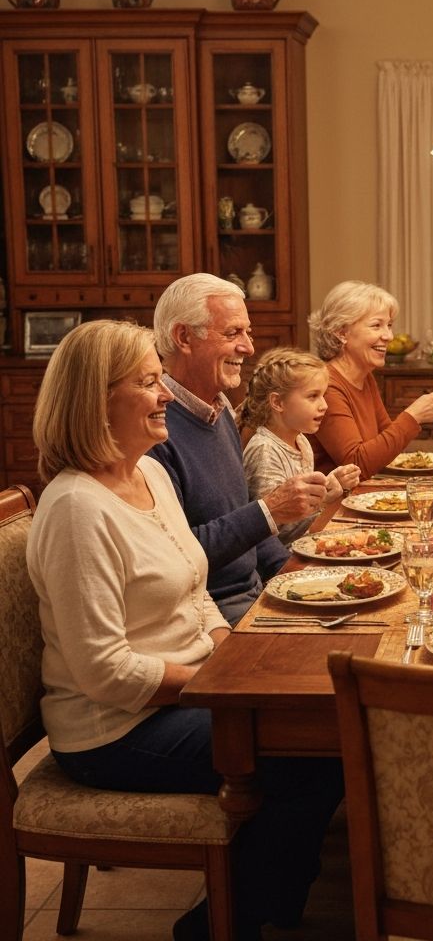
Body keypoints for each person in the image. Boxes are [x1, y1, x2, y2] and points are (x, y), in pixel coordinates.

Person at [26, 320, 343, 941]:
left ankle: (273, 902)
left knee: (318, 732)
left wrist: (231, 653)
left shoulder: (148, 474)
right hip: (116, 729)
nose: (166, 393)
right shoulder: (76, 510)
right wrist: (217, 682)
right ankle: (221, 924)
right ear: (97, 399)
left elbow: (197, 591)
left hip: (187, 690)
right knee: (311, 756)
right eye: (149, 382)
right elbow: (105, 673)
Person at [150, 273, 329, 625]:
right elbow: (178, 555)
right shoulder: (155, 430)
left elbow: (246, 523)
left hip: (254, 591)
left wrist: (294, 577)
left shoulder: (219, 412)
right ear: (184, 337)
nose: (248, 347)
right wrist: (269, 510)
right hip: (211, 611)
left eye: (247, 332)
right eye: (232, 333)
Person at [308, 280, 433, 478]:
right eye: (376, 325)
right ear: (342, 333)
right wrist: (414, 415)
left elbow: (385, 446)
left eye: (389, 325)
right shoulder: (327, 386)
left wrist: (423, 414)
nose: (389, 336)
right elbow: (356, 464)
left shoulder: (365, 377)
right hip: (332, 496)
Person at [238, 346, 360, 544]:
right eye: (313, 396)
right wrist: (324, 501)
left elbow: (303, 522)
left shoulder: (301, 441)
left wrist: (327, 490)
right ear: (278, 402)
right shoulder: (265, 451)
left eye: (323, 395)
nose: (324, 405)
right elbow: (274, 533)